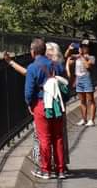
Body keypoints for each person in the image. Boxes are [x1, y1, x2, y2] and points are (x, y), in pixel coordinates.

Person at [23, 38, 69, 179]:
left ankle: (45, 169)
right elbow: (65, 85)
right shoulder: (57, 66)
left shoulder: (32, 68)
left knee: (44, 138)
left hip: (41, 104)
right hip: (56, 104)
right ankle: (61, 170)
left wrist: (30, 104)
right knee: (58, 137)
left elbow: (29, 91)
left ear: (33, 52)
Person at [69, 39, 97, 126]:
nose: (84, 48)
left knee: (90, 99)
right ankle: (83, 119)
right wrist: (70, 49)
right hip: (79, 78)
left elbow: (87, 65)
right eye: (82, 47)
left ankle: (91, 119)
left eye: (86, 47)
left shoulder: (91, 57)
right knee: (82, 100)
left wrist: (81, 56)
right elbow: (67, 56)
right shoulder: (77, 56)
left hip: (87, 78)